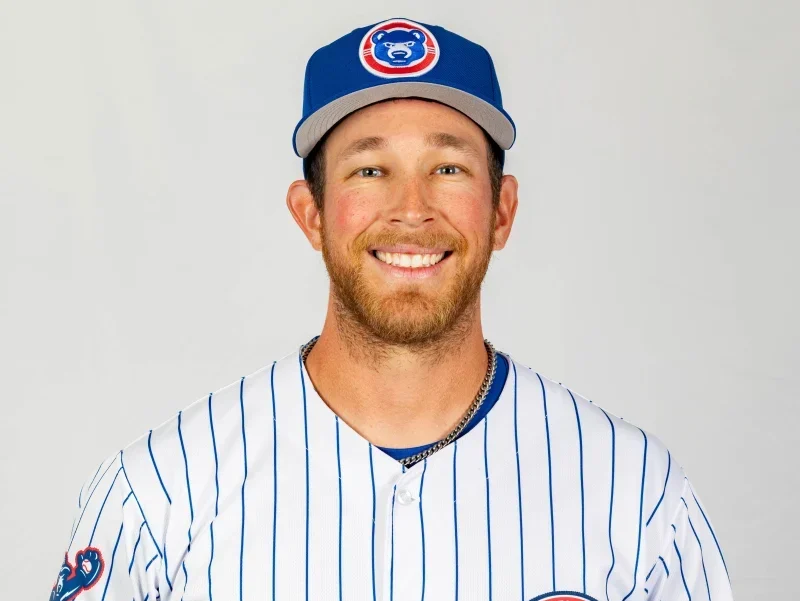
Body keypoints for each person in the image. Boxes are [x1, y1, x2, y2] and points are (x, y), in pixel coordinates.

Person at [49, 17, 734, 601]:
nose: (412, 209)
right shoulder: (161, 493)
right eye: (369, 170)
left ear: (502, 211)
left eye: (448, 168)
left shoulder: (635, 495)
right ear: (311, 214)